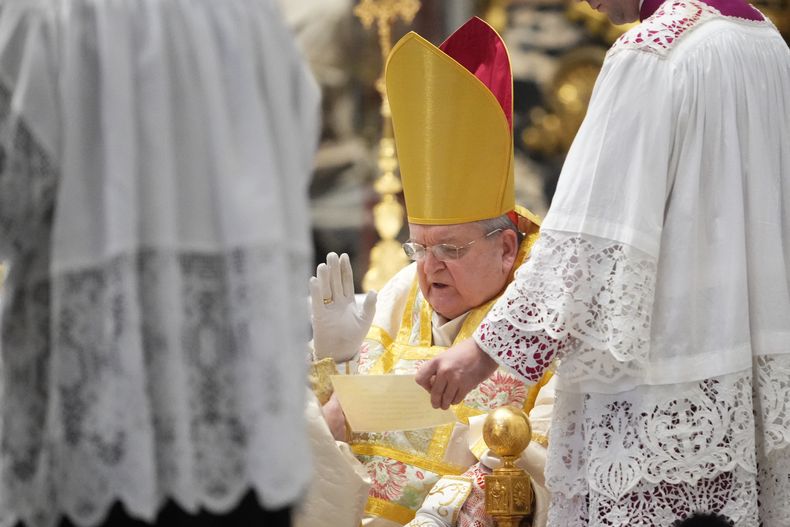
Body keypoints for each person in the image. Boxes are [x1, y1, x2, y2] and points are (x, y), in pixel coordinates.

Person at [416, 0, 790, 525]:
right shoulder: (766, 41)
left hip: (662, 390)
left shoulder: (651, 53)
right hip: (751, 375)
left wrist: (481, 353)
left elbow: (591, 240)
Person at [0, 1, 319, 526]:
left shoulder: (43, 14)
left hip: (98, 430)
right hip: (240, 431)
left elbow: (12, 199)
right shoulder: (251, 17)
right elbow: (296, 154)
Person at [307, 18, 559, 527]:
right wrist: (331, 367)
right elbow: (320, 446)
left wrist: (444, 510)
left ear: (506, 248)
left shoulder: (547, 312)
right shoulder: (402, 294)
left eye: (449, 247)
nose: (429, 268)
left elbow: (541, 467)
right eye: (417, 248)